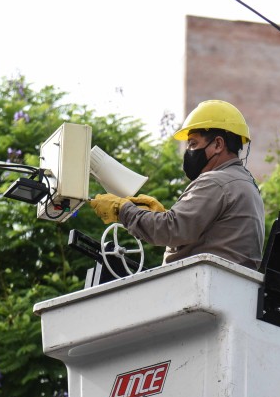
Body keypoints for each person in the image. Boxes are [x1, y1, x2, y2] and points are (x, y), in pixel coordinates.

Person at [89, 100, 265, 270]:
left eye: (193, 143)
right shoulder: (246, 185)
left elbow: (170, 230)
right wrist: (161, 216)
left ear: (218, 144)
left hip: (198, 288)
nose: (189, 151)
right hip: (223, 286)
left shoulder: (216, 182)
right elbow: (194, 231)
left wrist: (123, 209)